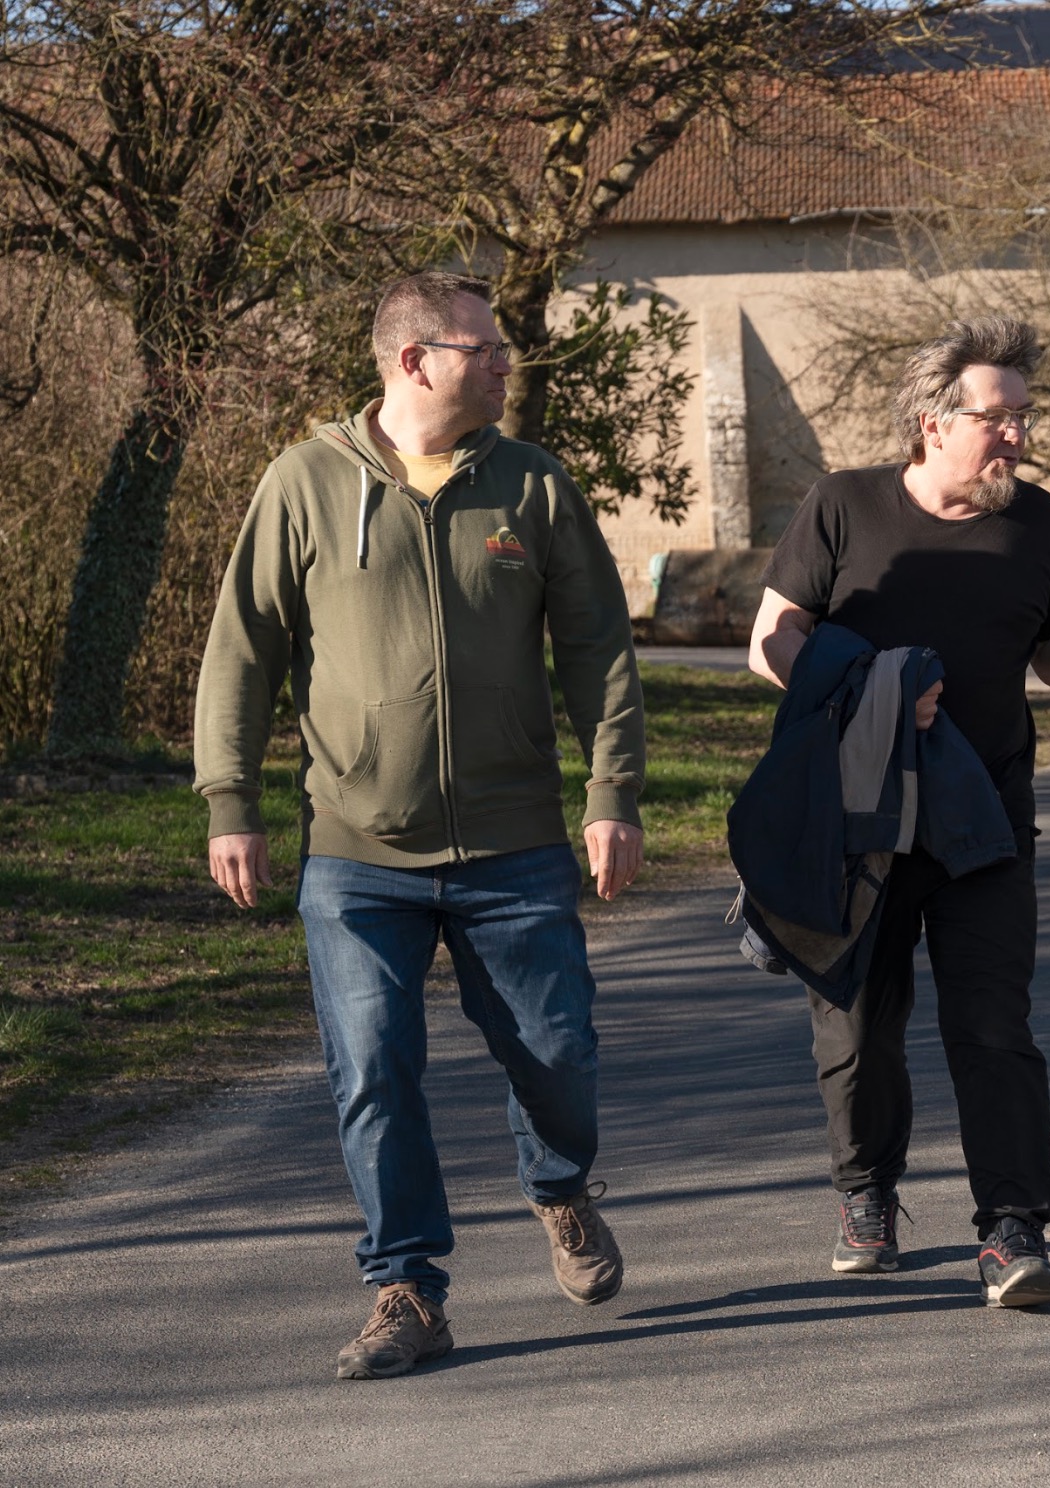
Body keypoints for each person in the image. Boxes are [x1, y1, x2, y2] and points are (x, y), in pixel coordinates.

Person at [194, 270, 647, 1378]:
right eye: (481, 348)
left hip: (516, 844)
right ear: (414, 361)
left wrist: (612, 792)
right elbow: (242, 651)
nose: (504, 362)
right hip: (355, 849)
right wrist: (232, 803)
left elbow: (597, 649)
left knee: (559, 1060)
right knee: (373, 1070)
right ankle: (406, 1289)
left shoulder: (533, 487)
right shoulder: (303, 484)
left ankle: (560, 1187)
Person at [746, 315, 1050, 1308]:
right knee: (856, 1028)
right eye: (999, 417)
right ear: (933, 422)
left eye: (1024, 417)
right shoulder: (844, 506)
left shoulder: (1038, 524)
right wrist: (867, 688)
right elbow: (771, 638)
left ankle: (1013, 1227)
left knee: (993, 1025)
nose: (1018, 435)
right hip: (858, 825)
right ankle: (867, 1193)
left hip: (986, 824)